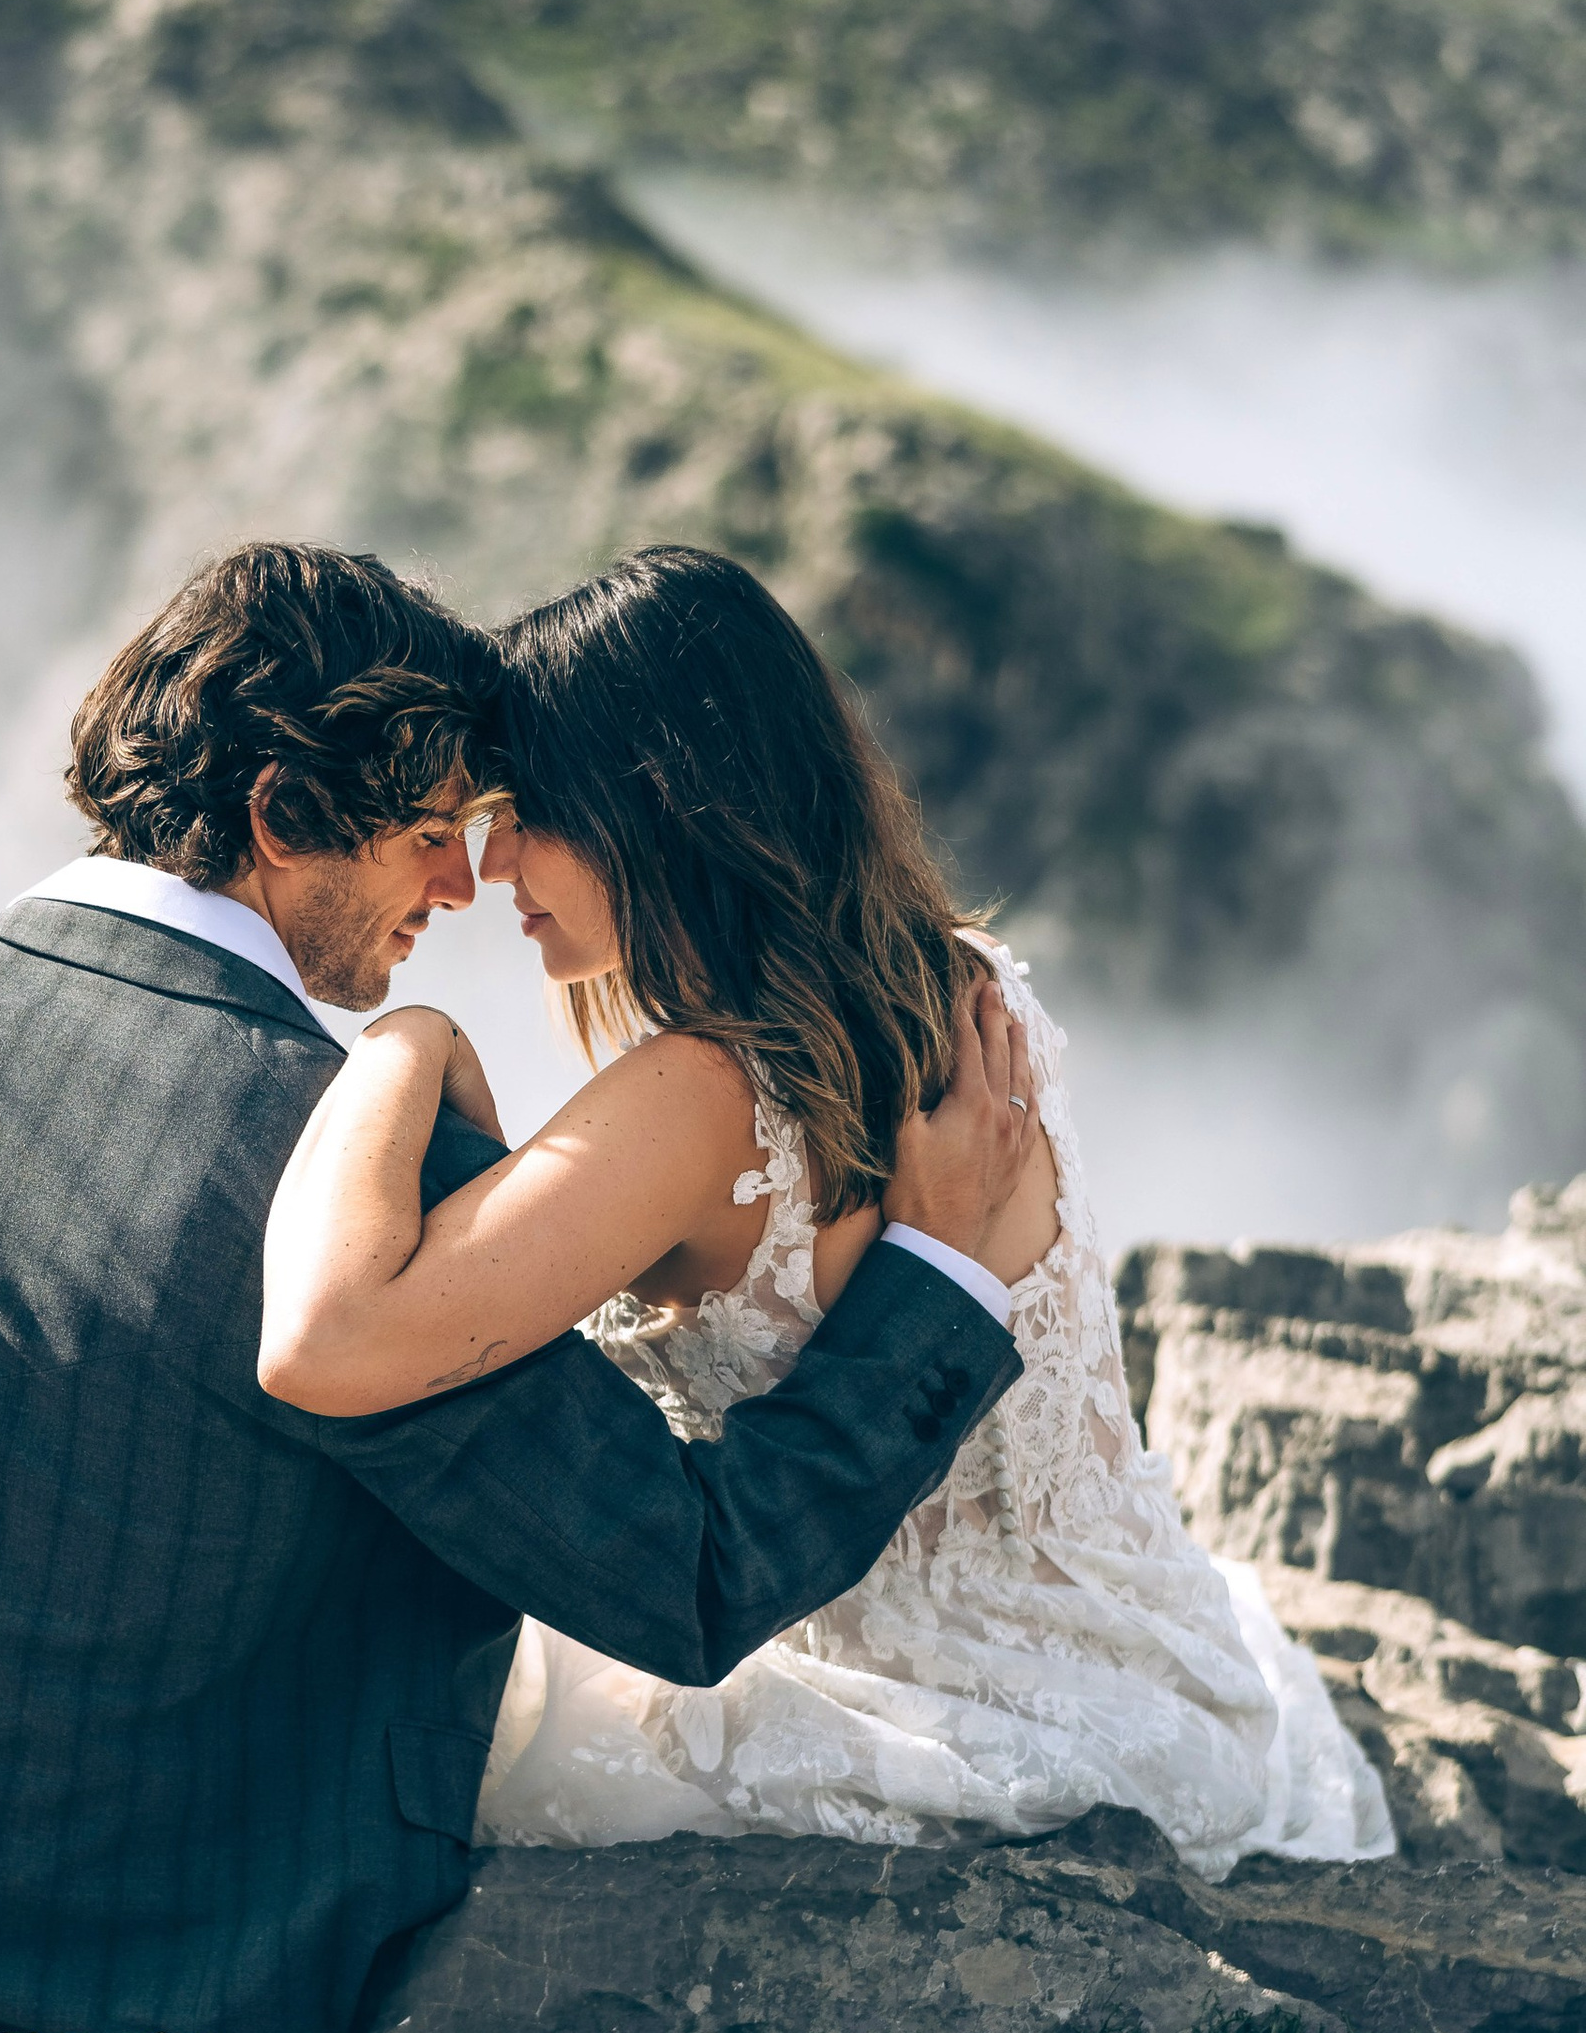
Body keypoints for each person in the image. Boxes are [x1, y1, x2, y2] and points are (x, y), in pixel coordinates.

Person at [0, 542, 1035, 2033]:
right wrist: (938, 1277)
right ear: (284, 818)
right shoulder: (358, 1187)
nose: (460, 885)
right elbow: (686, 1579)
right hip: (156, 1965)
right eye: (428, 834)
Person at [260, 545, 1393, 1878]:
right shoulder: (973, 991)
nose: (490, 858)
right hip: (1145, 1670)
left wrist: (404, 1037)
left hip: (909, 1709)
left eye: (528, 808)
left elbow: (331, 1341)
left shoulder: (699, 1099)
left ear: (653, 801)